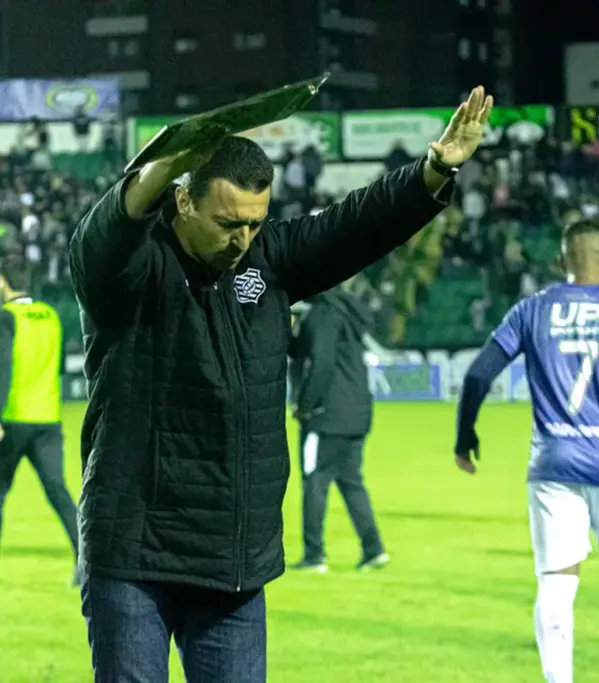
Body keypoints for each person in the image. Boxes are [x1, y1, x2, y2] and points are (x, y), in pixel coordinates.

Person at [69, 86, 493, 682]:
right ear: (183, 200)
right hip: (136, 554)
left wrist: (434, 171)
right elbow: (100, 242)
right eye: (228, 223)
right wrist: (160, 165)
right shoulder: (133, 270)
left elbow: (355, 226)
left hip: (235, 561)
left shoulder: (268, 261)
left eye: (254, 222)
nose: (242, 239)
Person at [454, 220, 599, 683]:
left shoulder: (531, 310)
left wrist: (465, 437)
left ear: (563, 260)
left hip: (552, 466)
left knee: (555, 584)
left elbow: (478, 376)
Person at [0, 256, 79, 586]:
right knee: (59, 492)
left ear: (2, 281)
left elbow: (2, 370)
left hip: (12, 419)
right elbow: (61, 367)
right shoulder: (51, 316)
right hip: (48, 419)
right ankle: (87, 564)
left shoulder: (3, 318)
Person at [287, 283, 386, 573]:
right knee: (351, 482)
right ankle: (373, 549)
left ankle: (314, 555)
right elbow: (305, 349)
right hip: (358, 413)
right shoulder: (348, 315)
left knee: (314, 481)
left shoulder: (322, 315)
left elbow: (321, 362)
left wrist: (305, 406)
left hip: (327, 415)